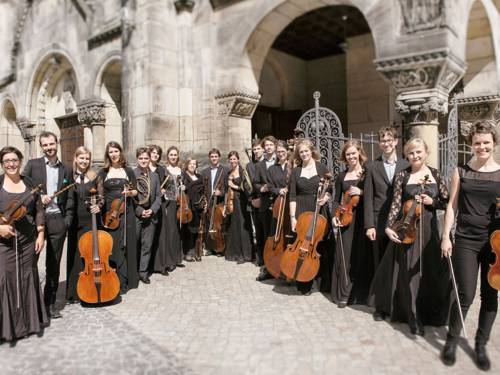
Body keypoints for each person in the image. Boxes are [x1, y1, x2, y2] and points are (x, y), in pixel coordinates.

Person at [368, 137, 450, 336]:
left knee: (429, 272)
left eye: (418, 152)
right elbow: (395, 205)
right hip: (408, 230)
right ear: (407, 155)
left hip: (429, 231)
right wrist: (388, 228)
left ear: (426, 152)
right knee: (409, 275)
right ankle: (414, 317)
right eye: (411, 153)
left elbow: (447, 202)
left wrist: (433, 201)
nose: (415, 156)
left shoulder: (436, 174)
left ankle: (430, 313)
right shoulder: (402, 176)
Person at [440, 121, 500, 370]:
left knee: (490, 294)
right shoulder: (460, 171)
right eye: (477, 142)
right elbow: (452, 206)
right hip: (465, 239)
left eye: (486, 142)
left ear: (494, 143)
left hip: (495, 244)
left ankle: (480, 344)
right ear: (471, 144)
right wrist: (446, 235)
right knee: (465, 294)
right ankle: (452, 341)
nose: (482, 146)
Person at [0, 146, 48, 341]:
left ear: (20, 161)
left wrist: (41, 234)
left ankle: (29, 324)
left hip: (28, 241)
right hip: (4, 242)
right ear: (2, 164)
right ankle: (7, 328)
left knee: (27, 276)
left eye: (14, 160)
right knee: (5, 277)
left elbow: (38, 211)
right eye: (6, 161)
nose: (11, 164)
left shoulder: (30, 183)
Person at [22, 131, 72, 319]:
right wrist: (37, 196)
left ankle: (49, 304)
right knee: (31, 263)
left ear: (57, 143)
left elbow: (70, 200)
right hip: (37, 222)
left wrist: (66, 221)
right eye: (45, 145)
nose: (49, 148)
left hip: (58, 221)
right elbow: (23, 188)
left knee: (54, 264)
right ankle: (31, 305)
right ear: (41, 147)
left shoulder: (66, 169)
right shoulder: (33, 165)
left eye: (52, 144)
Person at [363, 127, 409, 320]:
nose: (387, 143)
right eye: (383, 140)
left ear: (396, 141)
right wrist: (369, 225)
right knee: (381, 265)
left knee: (401, 265)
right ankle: (381, 307)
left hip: (402, 223)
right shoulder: (372, 167)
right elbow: (368, 197)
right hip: (380, 222)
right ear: (379, 143)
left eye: (390, 140)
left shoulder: (406, 165)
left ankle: (399, 304)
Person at [331, 140, 372, 307]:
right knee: (345, 255)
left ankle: (360, 294)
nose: (351, 156)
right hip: (346, 218)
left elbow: (374, 195)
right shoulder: (341, 176)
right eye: (348, 154)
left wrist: (362, 191)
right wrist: (335, 215)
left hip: (363, 217)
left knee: (362, 254)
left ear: (359, 154)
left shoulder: (367, 172)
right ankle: (343, 293)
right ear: (344, 157)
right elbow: (335, 200)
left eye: (354, 153)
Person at [288, 139, 332, 295]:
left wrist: (326, 196)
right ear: (298, 154)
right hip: (301, 209)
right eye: (301, 152)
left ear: (312, 151)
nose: (304, 154)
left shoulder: (322, 168)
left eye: (306, 151)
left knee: (319, 246)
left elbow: (330, 188)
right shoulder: (295, 171)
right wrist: (293, 217)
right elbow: (292, 196)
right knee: (302, 247)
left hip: (318, 210)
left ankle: (322, 282)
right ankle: (303, 280)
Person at [98, 141, 138, 294]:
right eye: (111, 152)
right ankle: (114, 279)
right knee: (113, 246)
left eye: (116, 151)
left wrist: (129, 193)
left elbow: (135, 191)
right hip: (110, 215)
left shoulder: (128, 170)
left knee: (126, 244)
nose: (114, 154)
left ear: (120, 152)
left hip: (126, 211)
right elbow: (100, 194)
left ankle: (126, 281)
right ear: (108, 155)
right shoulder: (103, 172)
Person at [65, 146, 103, 303]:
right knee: (74, 254)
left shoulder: (95, 176)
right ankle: (73, 291)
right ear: (75, 158)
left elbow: (101, 197)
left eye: (87, 158)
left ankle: (89, 288)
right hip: (74, 221)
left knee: (89, 254)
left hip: (90, 220)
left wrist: (98, 206)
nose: (84, 161)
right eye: (81, 158)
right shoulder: (69, 175)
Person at [134, 147, 161, 284]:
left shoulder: (155, 176)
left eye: (146, 158)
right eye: (141, 158)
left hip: (150, 215)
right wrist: (140, 211)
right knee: (135, 244)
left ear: (149, 159)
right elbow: (131, 199)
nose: (144, 161)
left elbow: (158, 197)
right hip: (137, 215)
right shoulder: (132, 174)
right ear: (137, 159)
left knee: (147, 246)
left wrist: (152, 210)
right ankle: (133, 272)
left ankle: (143, 273)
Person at [154, 146, 184, 273]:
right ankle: (169, 261)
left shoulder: (180, 170)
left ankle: (177, 258)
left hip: (180, 202)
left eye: (175, 155)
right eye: (171, 155)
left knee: (178, 231)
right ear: (168, 156)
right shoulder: (164, 170)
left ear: (178, 156)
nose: (173, 157)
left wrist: (183, 187)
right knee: (170, 231)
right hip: (169, 202)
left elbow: (182, 184)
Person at [265, 140, 292, 275]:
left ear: (287, 152)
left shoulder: (292, 167)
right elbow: (269, 186)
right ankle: (274, 265)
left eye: (283, 152)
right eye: (279, 152)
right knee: (276, 232)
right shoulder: (272, 169)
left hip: (291, 204)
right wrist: (278, 191)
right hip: (278, 204)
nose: (281, 154)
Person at [254, 136, 277, 280]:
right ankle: (268, 267)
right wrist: (261, 188)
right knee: (266, 236)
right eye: (266, 145)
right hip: (265, 203)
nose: (268, 147)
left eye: (270, 145)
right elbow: (255, 182)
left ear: (274, 146)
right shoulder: (260, 165)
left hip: (278, 201)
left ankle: (280, 265)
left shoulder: (281, 160)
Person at [224, 151, 253, 263]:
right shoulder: (228, 172)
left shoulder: (242, 171)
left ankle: (245, 254)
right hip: (232, 203)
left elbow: (246, 188)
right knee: (233, 226)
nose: (232, 161)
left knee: (242, 226)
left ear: (238, 160)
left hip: (241, 201)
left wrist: (234, 185)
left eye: (234, 159)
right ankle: (235, 253)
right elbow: (227, 190)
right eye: (230, 159)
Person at [200, 148, 228, 255]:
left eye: (216, 156)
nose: (214, 158)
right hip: (209, 201)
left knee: (219, 225)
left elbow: (227, 187)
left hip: (220, 202)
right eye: (212, 157)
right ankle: (210, 247)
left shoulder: (224, 170)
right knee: (208, 225)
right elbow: (203, 188)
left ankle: (220, 246)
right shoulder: (204, 172)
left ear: (219, 157)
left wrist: (220, 193)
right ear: (209, 158)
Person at [181, 157, 205, 262]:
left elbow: (203, 191)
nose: (192, 165)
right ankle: (188, 252)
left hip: (198, 205)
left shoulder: (199, 177)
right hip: (188, 205)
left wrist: (204, 202)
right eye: (190, 163)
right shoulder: (183, 176)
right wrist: (182, 188)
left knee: (197, 229)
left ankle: (197, 252)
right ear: (187, 164)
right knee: (188, 230)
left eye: (194, 164)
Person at [148, 145, 167, 275]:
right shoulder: (145, 167)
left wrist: (164, 190)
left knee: (160, 236)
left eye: (157, 153)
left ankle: (160, 266)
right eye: (153, 152)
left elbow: (169, 187)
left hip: (159, 205)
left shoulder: (161, 169)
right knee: (148, 238)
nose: (155, 155)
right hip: (146, 206)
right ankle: (147, 267)